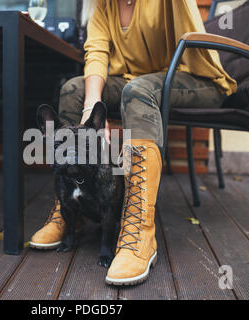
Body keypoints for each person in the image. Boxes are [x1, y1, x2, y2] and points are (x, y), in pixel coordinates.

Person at [30, 0, 236, 286]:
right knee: (74, 89)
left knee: (137, 91)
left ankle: (139, 229)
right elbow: (97, 52)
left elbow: (190, 39)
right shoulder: (103, 5)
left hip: (194, 77)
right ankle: (68, 207)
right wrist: (92, 107)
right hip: (133, 79)